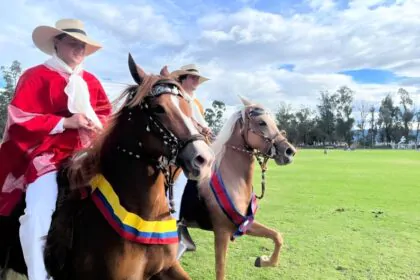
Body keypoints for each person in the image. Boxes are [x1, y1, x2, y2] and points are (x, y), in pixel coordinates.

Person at [0, 18, 112, 279]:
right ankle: (38, 275)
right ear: (56, 43)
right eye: (72, 41)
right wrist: (65, 122)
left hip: (87, 155)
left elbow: (106, 114)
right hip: (48, 157)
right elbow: (18, 119)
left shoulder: (92, 81)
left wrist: (98, 126)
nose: (79, 48)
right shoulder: (35, 76)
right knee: (38, 214)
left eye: (83, 44)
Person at [169, 64, 211, 258]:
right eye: (192, 78)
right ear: (183, 79)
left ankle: (185, 221)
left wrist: (206, 130)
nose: (196, 82)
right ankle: (179, 222)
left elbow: (200, 124)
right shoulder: (176, 99)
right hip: (177, 150)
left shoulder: (197, 103)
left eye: (197, 79)